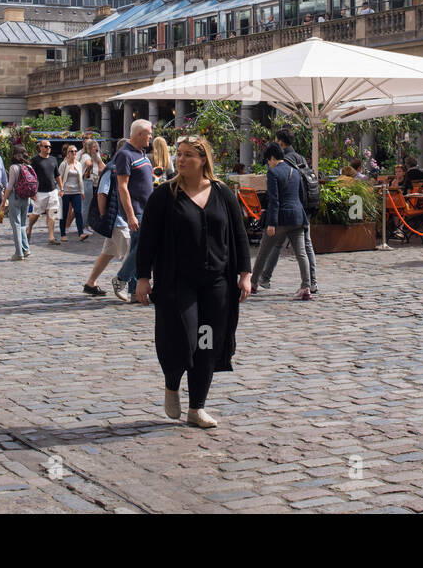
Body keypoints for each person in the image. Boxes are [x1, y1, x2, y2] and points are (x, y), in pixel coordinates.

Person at [134, 134, 252, 429]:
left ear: (203, 160)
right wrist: (142, 278)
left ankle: (196, 407)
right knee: (182, 339)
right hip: (177, 283)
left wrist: (245, 274)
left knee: (206, 344)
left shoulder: (223, 193)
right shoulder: (164, 196)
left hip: (216, 285)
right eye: (179, 154)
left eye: (188, 155)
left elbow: (238, 234)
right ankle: (172, 384)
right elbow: (147, 240)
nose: (181, 159)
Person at [250, 142, 314, 299]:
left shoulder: (273, 173)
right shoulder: (295, 171)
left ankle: (253, 284)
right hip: (297, 217)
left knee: (263, 252)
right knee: (301, 253)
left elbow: (274, 200)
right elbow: (302, 197)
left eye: (268, 161)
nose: (268, 164)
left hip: (279, 219)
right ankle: (306, 287)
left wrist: (271, 222)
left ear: (272, 157)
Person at [111, 120, 155, 302]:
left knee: (138, 248)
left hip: (147, 208)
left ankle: (135, 291)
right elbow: (123, 187)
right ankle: (121, 278)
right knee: (143, 248)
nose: (151, 137)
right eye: (149, 134)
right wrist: (130, 215)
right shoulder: (125, 155)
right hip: (136, 210)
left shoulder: (141, 153)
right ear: (139, 134)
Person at [81, 161, 127, 296]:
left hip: (118, 219)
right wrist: (103, 215)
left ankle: (90, 283)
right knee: (129, 255)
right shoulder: (112, 170)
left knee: (108, 252)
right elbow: (102, 193)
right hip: (117, 221)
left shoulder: (120, 168)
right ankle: (128, 287)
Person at [4, 144, 34, 261]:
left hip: (15, 196)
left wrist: (4, 200)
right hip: (26, 197)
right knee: (22, 224)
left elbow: (10, 186)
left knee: (15, 224)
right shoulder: (29, 166)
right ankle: (26, 249)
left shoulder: (14, 168)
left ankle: (18, 252)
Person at [27, 139, 60, 246]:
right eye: (46, 146)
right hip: (39, 191)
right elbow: (30, 177)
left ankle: (51, 236)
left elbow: (57, 175)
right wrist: (31, 191)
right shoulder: (35, 160)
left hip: (52, 190)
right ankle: (29, 227)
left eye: (49, 147)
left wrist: (61, 188)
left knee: (51, 214)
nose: (48, 148)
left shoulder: (53, 159)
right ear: (40, 147)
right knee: (36, 214)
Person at [56, 144, 88, 242]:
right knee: (64, 213)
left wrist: (82, 191)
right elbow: (59, 178)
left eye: (75, 151)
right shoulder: (64, 164)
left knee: (78, 212)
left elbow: (80, 179)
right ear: (67, 153)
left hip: (76, 192)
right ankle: (63, 233)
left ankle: (80, 233)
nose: (74, 153)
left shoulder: (78, 164)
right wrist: (60, 190)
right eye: (71, 151)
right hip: (66, 192)